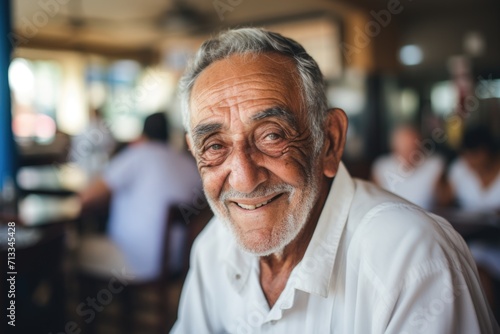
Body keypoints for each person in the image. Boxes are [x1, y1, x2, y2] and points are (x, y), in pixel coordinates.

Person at [172, 28, 499, 333]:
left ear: (329, 141)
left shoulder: (411, 257)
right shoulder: (214, 247)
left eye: (272, 135)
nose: (244, 180)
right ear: (193, 151)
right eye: (215, 146)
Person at [78, 112, 201, 281]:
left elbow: (87, 197)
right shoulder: (188, 164)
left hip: (132, 262)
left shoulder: (136, 155)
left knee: (72, 249)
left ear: (142, 135)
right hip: (177, 263)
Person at [372, 124, 445, 210]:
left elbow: (443, 201)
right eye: (403, 150)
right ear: (394, 149)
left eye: (412, 149)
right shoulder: (381, 166)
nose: (408, 155)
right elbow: (374, 200)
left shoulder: (435, 165)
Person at [448, 125, 500, 212]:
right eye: (468, 156)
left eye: (476, 155)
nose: (472, 161)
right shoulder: (460, 167)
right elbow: (445, 203)